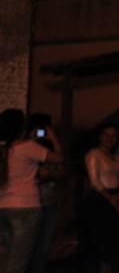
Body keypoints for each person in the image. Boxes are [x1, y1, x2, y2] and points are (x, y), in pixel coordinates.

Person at [0, 109, 63, 273]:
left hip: (3, 206)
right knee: (18, 260)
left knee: (6, 255)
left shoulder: (3, 148)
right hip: (25, 207)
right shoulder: (27, 147)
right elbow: (59, 158)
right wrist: (53, 137)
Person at [81, 122, 119, 273]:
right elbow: (95, 181)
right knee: (99, 241)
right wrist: (111, 199)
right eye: (107, 135)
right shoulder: (94, 154)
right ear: (100, 137)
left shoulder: (116, 158)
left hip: (114, 199)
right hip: (99, 201)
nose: (110, 138)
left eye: (114, 136)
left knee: (114, 242)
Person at [26, 113, 65, 273]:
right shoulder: (25, 147)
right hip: (29, 204)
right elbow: (38, 175)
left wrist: (54, 140)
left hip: (49, 203)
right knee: (27, 246)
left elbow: (61, 170)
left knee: (43, 247)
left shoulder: (49, 150)